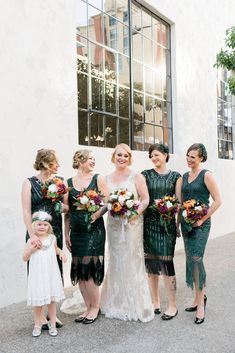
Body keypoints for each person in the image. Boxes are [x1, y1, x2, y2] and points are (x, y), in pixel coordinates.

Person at [100, 143, 154, 322]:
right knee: (116, 260)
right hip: (114, 225)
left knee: (132, 259)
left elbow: (145, 199)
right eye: (119, 155)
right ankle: (115, 301)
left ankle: (135, 303)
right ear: (113, 157)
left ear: (129, 158)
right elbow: (106, 202)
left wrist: (134, 213)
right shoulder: (106, 178)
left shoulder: (136, 176)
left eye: (125, 155)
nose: (122, 158)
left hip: (132, 225)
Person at [21, 148, 66, 328]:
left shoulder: (60, 181)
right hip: (36, 232)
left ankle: (52, 315)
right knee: (37, 272)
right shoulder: (29, 183)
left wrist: (61, 206)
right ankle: (39, 317)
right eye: (55, 162)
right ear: (46, 163)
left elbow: (66, 206)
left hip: (54, 231)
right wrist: (31, 236)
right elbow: (26, 210)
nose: (58, 166)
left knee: (54, 270)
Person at [64, 149, 108, 324]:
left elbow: (106, 204)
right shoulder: (68, 183)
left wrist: (96, 215)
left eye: (94, 159)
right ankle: (87, 307)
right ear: (80, 161)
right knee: (80, 270)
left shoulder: (98, 179)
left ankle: (95, 308)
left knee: (89, 268)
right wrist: (66, 232)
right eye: (90, 159)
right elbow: (66, 212)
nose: (93, 161)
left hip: (94, 230)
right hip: (76, 231)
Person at [181, 143, 221, 324]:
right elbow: (182, 203)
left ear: (201, 158)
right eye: (188, 156)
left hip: (201, 224)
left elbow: (218, 201)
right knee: (190, 260)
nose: (189, 160)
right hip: (186, 224)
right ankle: (198, 298)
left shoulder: (207, 175)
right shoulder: (184, 176)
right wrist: (177, 224)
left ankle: (201, 305)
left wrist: (202, 219)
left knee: (197, 258)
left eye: (193, 157)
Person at [141, 143, 181, 320]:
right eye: (151, 156)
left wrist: (175, 221)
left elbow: (179, 203)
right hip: (149, 224)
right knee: (151, 265)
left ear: (165, 155)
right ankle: (155, 301)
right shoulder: (145, 175)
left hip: (166, 225)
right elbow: (142, 199)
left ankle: (172, 305)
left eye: (157, 155)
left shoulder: (176, 176)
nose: (154, 158)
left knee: (166, 264)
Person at [23, 211, 66, 337]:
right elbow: (24, 258)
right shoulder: (31, 241)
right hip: (38, 275)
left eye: (45, 225)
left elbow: (56, 249)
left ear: (49, 227)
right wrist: (31, 249)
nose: (42, 227)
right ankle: (37, 324)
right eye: (39, 224)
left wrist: (61, 253)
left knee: (51, 301)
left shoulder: (52, 239)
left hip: (50, 273)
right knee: (38, 302)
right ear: (34, 226)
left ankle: (52, 323)